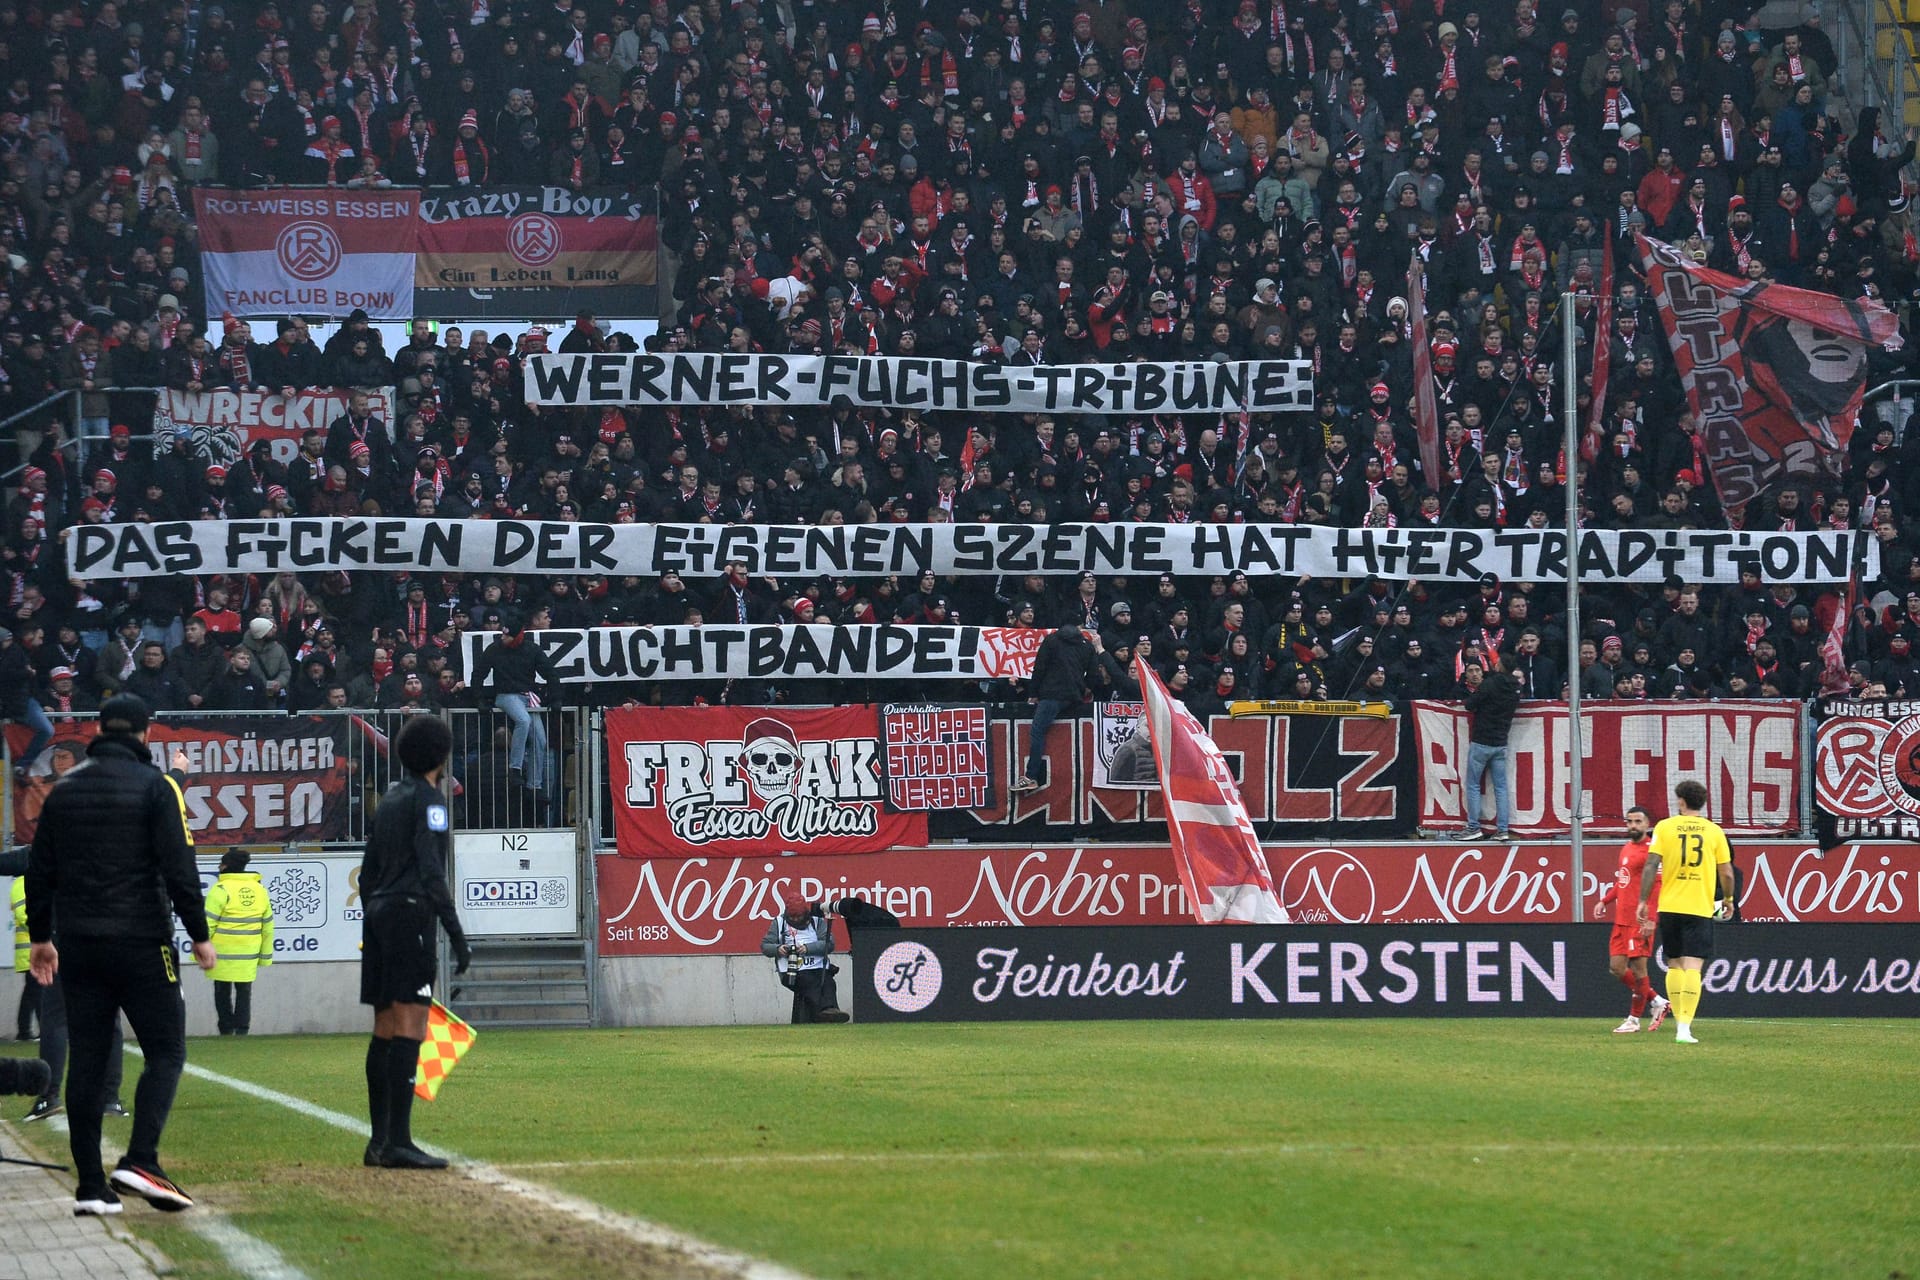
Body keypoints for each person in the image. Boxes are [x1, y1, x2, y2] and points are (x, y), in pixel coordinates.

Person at [24, 694, 214, 1216]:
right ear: (146, 735)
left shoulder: (64, 791)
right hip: (142, 941)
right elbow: (179, 866)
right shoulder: (155, 786)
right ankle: (142, 1159)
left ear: (99, 731)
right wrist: (199, 934)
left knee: (85, 1060)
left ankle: (91, 1187)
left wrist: (43, 937)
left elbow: (40, 871)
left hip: (80, 945)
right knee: (166, 1050)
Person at [359, 715, 470, 1170]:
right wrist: (456, 933)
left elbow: (367, 871)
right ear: (441, 757)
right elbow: (431, 872)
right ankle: (399, 1142)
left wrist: (375, 915)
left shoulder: (389, 799)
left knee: (384, 1025)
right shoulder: (431, 802)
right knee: (410, 1024)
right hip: (408, 913)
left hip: (379, 913)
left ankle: (379, 1141)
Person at [1638, 779, 1735, 1045]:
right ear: (1701, 802)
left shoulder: (1665, 828)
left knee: (1674, 964)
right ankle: (1684, 1028)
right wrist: (1728, 899)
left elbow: (1650, 865)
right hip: (1699, 907)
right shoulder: (1714, 831)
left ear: (1681, 801)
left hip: (1670, 906)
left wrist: (1643, 901)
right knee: (1693, 967)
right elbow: (1725, 871)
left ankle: (1679, 1024)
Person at [1597, 807, 1671, 1034]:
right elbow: (1623, 881)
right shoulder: (1627, 848)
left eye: (1638, 821)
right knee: (1617, 967)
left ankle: (1634, 1019)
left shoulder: (1653, 852)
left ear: (1647, 825)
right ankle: (1658, 1001)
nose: (1633, 826)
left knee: (1639, 970)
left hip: (1640, 920)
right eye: (1630, 821)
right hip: (1621, 919)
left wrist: (1651, 919)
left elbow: (1658, 888)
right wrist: (1605, 901)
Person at [469, 612, 561, 795]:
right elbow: (478, 674)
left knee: (540, 741)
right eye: (503, 634)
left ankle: (534, 785)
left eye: (507, 635)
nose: (503, 638)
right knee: (523, 721)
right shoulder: (494, 649)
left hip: (528, 696)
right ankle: (515, 768)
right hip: (506, 695)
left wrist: (556, 697)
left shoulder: (532, 650)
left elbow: (551, 673)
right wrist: (479, 698)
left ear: (518, 636)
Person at [1012, 626, 1102, 793]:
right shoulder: (1086, 645)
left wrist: (1033, 693)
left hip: (1052, 694)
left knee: (1037, 731)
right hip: (1074, 697)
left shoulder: (1052, 641)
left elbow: (1039, 668)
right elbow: (1094, 674)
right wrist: (1084, 689)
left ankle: (1031, 777)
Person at [204, 852, 275, 1036]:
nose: (219, 867)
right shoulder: (259, 890)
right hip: (249, 953)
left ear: (226, 866)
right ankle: (243, 1029)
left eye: (221, 864)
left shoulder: (220, 890)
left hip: (223, 952)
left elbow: (207, 923)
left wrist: (200, 951)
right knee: (244, 992)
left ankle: (226, 1028)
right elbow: (267, 926)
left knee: (222, 991)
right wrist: (265, 957)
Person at [760, 890, 850, 1024]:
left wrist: (808, 948)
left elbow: (829, 944)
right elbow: (765, 946)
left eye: (799, 916)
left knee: (828, 982)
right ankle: (824, 1012)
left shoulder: (817, 922)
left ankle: (830, 1010)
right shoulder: (779, 923)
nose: (796, 920)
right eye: (792, 917)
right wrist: (778, 949)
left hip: (818, 968)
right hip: (792, 972)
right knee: (810, 982)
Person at [1457, 656, 1519, 840]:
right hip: (1501, 742)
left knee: (1474, 785)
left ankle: (1474, 827)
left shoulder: (1489, 684)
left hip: (1481, 740)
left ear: (1500, 666)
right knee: (1501, 787)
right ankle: (1502, 830)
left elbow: (1469, 705)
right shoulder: (1516, 687)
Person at [10, 871, 34, 1040]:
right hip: (31, 949)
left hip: (30, 949)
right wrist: (42, 930)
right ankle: (25, 1031)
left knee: (33, 991)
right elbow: (23, 914)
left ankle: (24, 1031)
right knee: (36, 991)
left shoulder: (24, 881)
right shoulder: (22, 882)